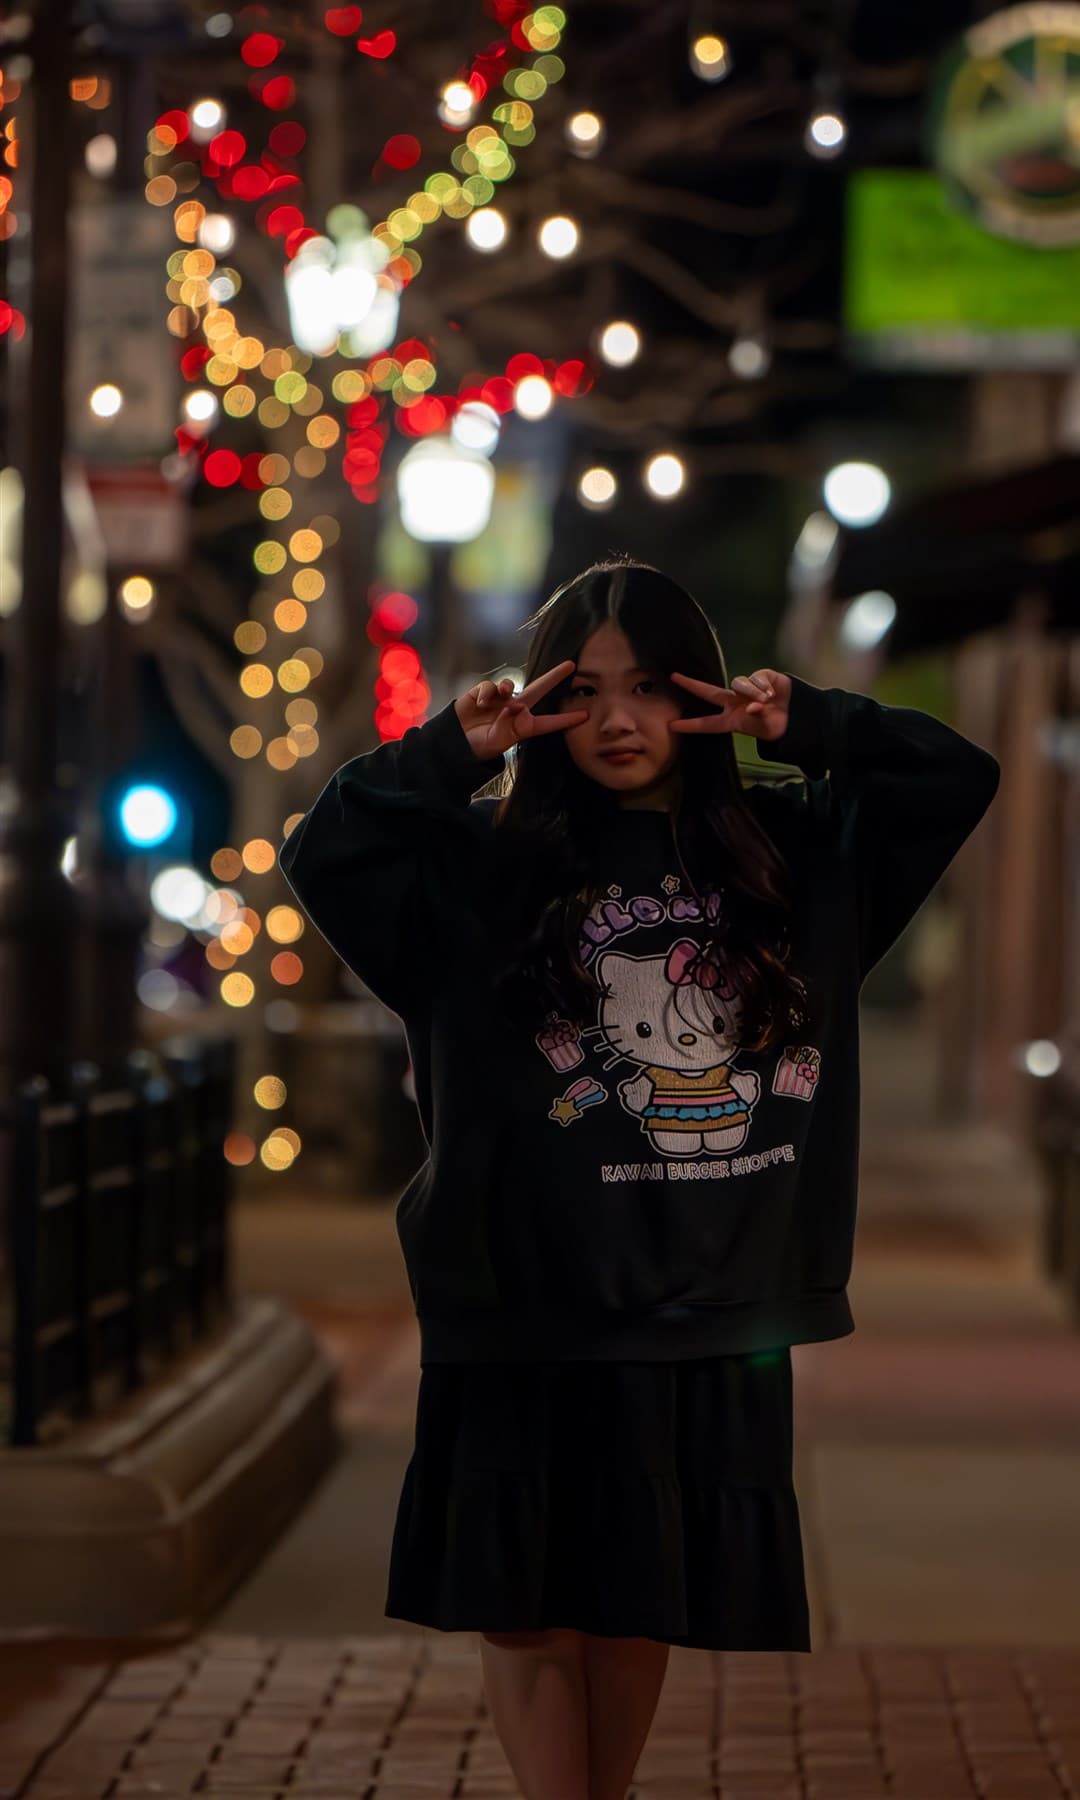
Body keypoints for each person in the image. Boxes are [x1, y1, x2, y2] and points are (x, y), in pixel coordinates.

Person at [278, 556, 1000, 1800]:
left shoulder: (792, 856)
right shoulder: (479, 864)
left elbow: (955, 777)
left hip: (699, 1303)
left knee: (633, 1603)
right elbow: (328, 850)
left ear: (704, 698)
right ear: (546, 701)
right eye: (589, 691)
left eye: (657, 692)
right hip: (519, 1293)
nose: (621, 722)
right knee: (525, 1610)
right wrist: (455, 748)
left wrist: (809, 724)